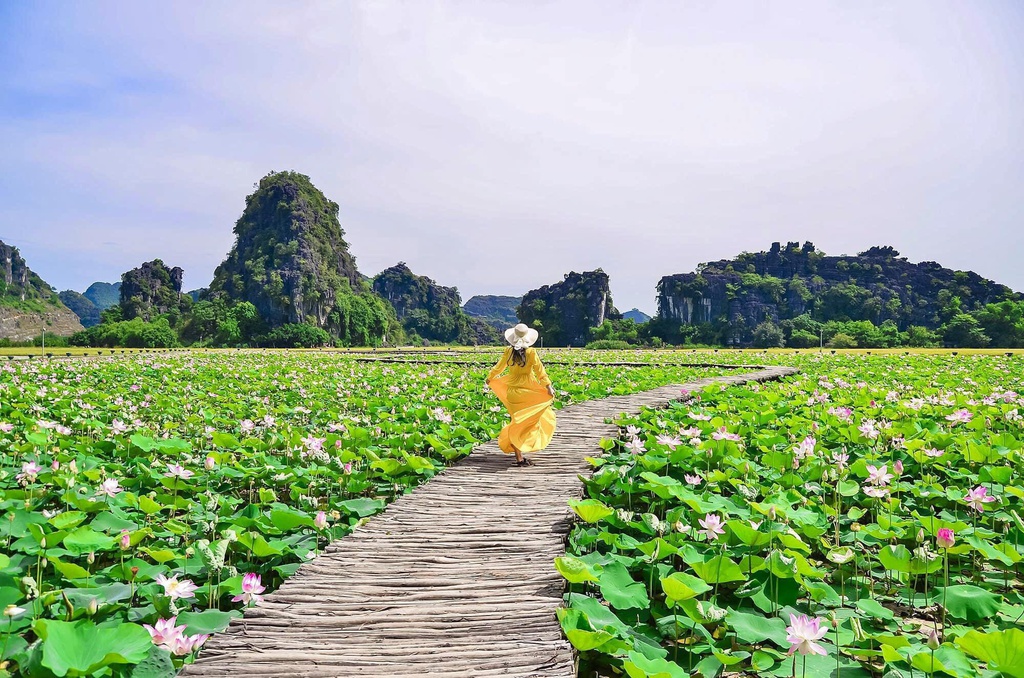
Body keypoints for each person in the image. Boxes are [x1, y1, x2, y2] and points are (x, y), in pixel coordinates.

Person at [485, 323, 557, 467]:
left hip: (513, 392)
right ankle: (526, 445)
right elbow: (540, 371)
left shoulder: (508, 352)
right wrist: (548, 387)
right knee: (532, 420)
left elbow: (498, 368)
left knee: (516, 422)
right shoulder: (531, 352)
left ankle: (519, 457)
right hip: (529, 391)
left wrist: (490, 378)